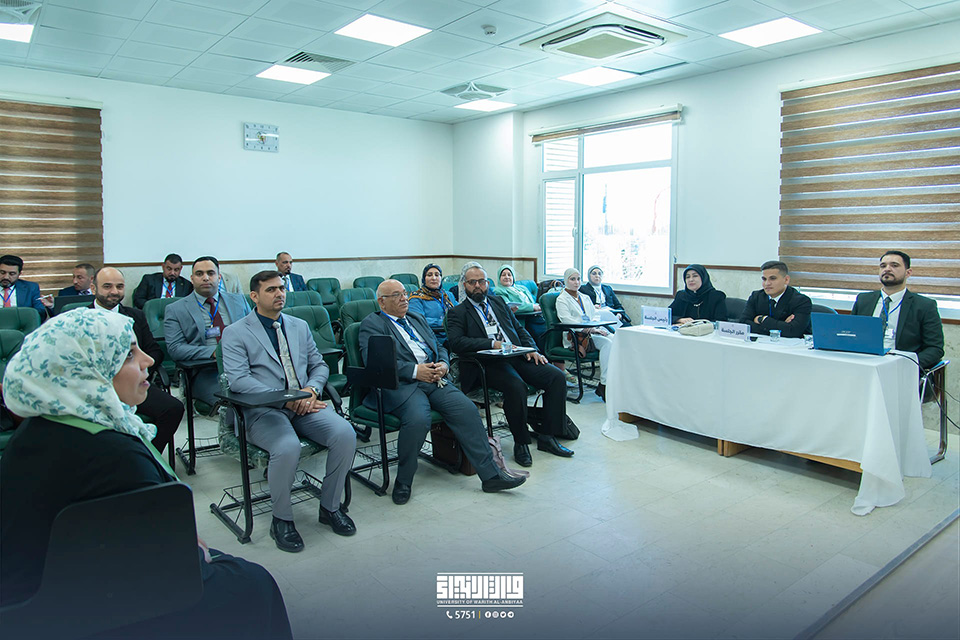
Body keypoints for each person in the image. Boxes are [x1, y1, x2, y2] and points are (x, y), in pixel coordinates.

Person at [0, 310, 292, 639]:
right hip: (83, 608)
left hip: (40, 597)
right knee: (255, 583)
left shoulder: (37, 429)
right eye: (128, 354)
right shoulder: (114, 456)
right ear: (87, 370)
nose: (148, 360)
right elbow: (169, 569)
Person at [222, 271, 357, 550]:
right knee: (287, 447)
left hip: (304, 404)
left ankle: (330, 507)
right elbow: (239, 381)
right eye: (271, 290)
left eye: (281, 288)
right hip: (263, 410)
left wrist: (311, 390)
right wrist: (287, 399)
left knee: (345, 433)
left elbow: (319, 365)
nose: (279, 294)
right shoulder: (236, 332)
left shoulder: (298, 325)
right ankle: (281, 519)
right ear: (254, 296)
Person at [359, 280, 525, 504]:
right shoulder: (373, 324)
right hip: (402, 384)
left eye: (405, 293)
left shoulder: (416, 318)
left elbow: (439, 347)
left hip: (434, 378)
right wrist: (415, 371)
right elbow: (376, 362)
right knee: (418, 418)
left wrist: (444, 365)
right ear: (382, 302)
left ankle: (491, 476)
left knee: (467, 409)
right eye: (397, 295)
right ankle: (403, 481)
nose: (404, 298)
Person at [447, 263, 574, 468]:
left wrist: (532, 349)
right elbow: (457, 343)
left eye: (481, 281)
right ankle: (521, 442)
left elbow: (518, 329)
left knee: (556, 377)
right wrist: (491, 344)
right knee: (516, 386)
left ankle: (547, 436)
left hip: (515, 354)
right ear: (464, 285)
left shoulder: (498, 302)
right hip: (486, 362)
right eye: (472, 282)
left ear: (488, 283)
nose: (478, 286)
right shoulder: (457, 312)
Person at [90, 267, 184, 457]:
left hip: (133, 383)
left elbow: (154, 350)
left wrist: (138, 367)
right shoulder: (79, 318)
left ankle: (148, 457)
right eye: (107, 286)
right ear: (93, 288)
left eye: (119, 286)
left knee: (173, 408)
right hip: (95, 387)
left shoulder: (135, 315)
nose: (114, 291)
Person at [163, 256, 250, 407]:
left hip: (244, 366)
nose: (205, 278)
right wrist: (215, 352)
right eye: (199, 274)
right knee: (233, 402)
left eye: (211, 273)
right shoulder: (176, 309)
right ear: (192, 279)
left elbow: (254, 333)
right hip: (206, 372)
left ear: (219, 277)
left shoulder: (238, 301)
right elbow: (175, 349)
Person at [851, 250, 944, 370]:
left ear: (908, 273)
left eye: (894, 265)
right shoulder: (863, 300)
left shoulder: (924, 305)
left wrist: (908, 365)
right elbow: (851, 336)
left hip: (901, 368)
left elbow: (935, 348)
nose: (887, 269)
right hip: (864, 364)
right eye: (883, 266)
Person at [556, 268, 614, 401]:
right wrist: (588, 329)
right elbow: (566, 320)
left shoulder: (585, 297)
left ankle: (611, 381)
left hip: (592, 332)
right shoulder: (561, 299)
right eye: (572, 279)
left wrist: (595, 327)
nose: (576, 282)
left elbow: (595, 316)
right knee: (607, 344)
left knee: (614, 339)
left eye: (578, 279)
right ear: (566, 281)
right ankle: (604, 384)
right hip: (576, 336)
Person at [738, 260, 811, 338]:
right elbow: (743, 324)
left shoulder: (801, 301)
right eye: (764, 279)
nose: (767, 283)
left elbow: (793, 331)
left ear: (786, 280)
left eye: (772, 279)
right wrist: (782, 326)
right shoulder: (756, 296)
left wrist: (762, 319)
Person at [493, 264, 547, 349]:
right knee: (539, 335)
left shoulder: (522, 288)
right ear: (499, 278)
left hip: (535, 316)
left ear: (513, 277)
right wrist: (532, 307)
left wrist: (538, 306)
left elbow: (532, 302)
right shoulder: (499, 291)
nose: (507, 277)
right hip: (521, 319)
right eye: (503, 275)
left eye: (509, 275)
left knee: (548, 332)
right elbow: (508, 306)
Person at [407, 263, 455, 344]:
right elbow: (417, 320)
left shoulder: (447, 295)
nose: (434, 278)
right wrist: (443, 323)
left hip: (453, 335)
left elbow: (459, 312)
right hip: (432, 339)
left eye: (437, 275)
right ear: (424, 279)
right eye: (429, 275)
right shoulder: (416, 298)